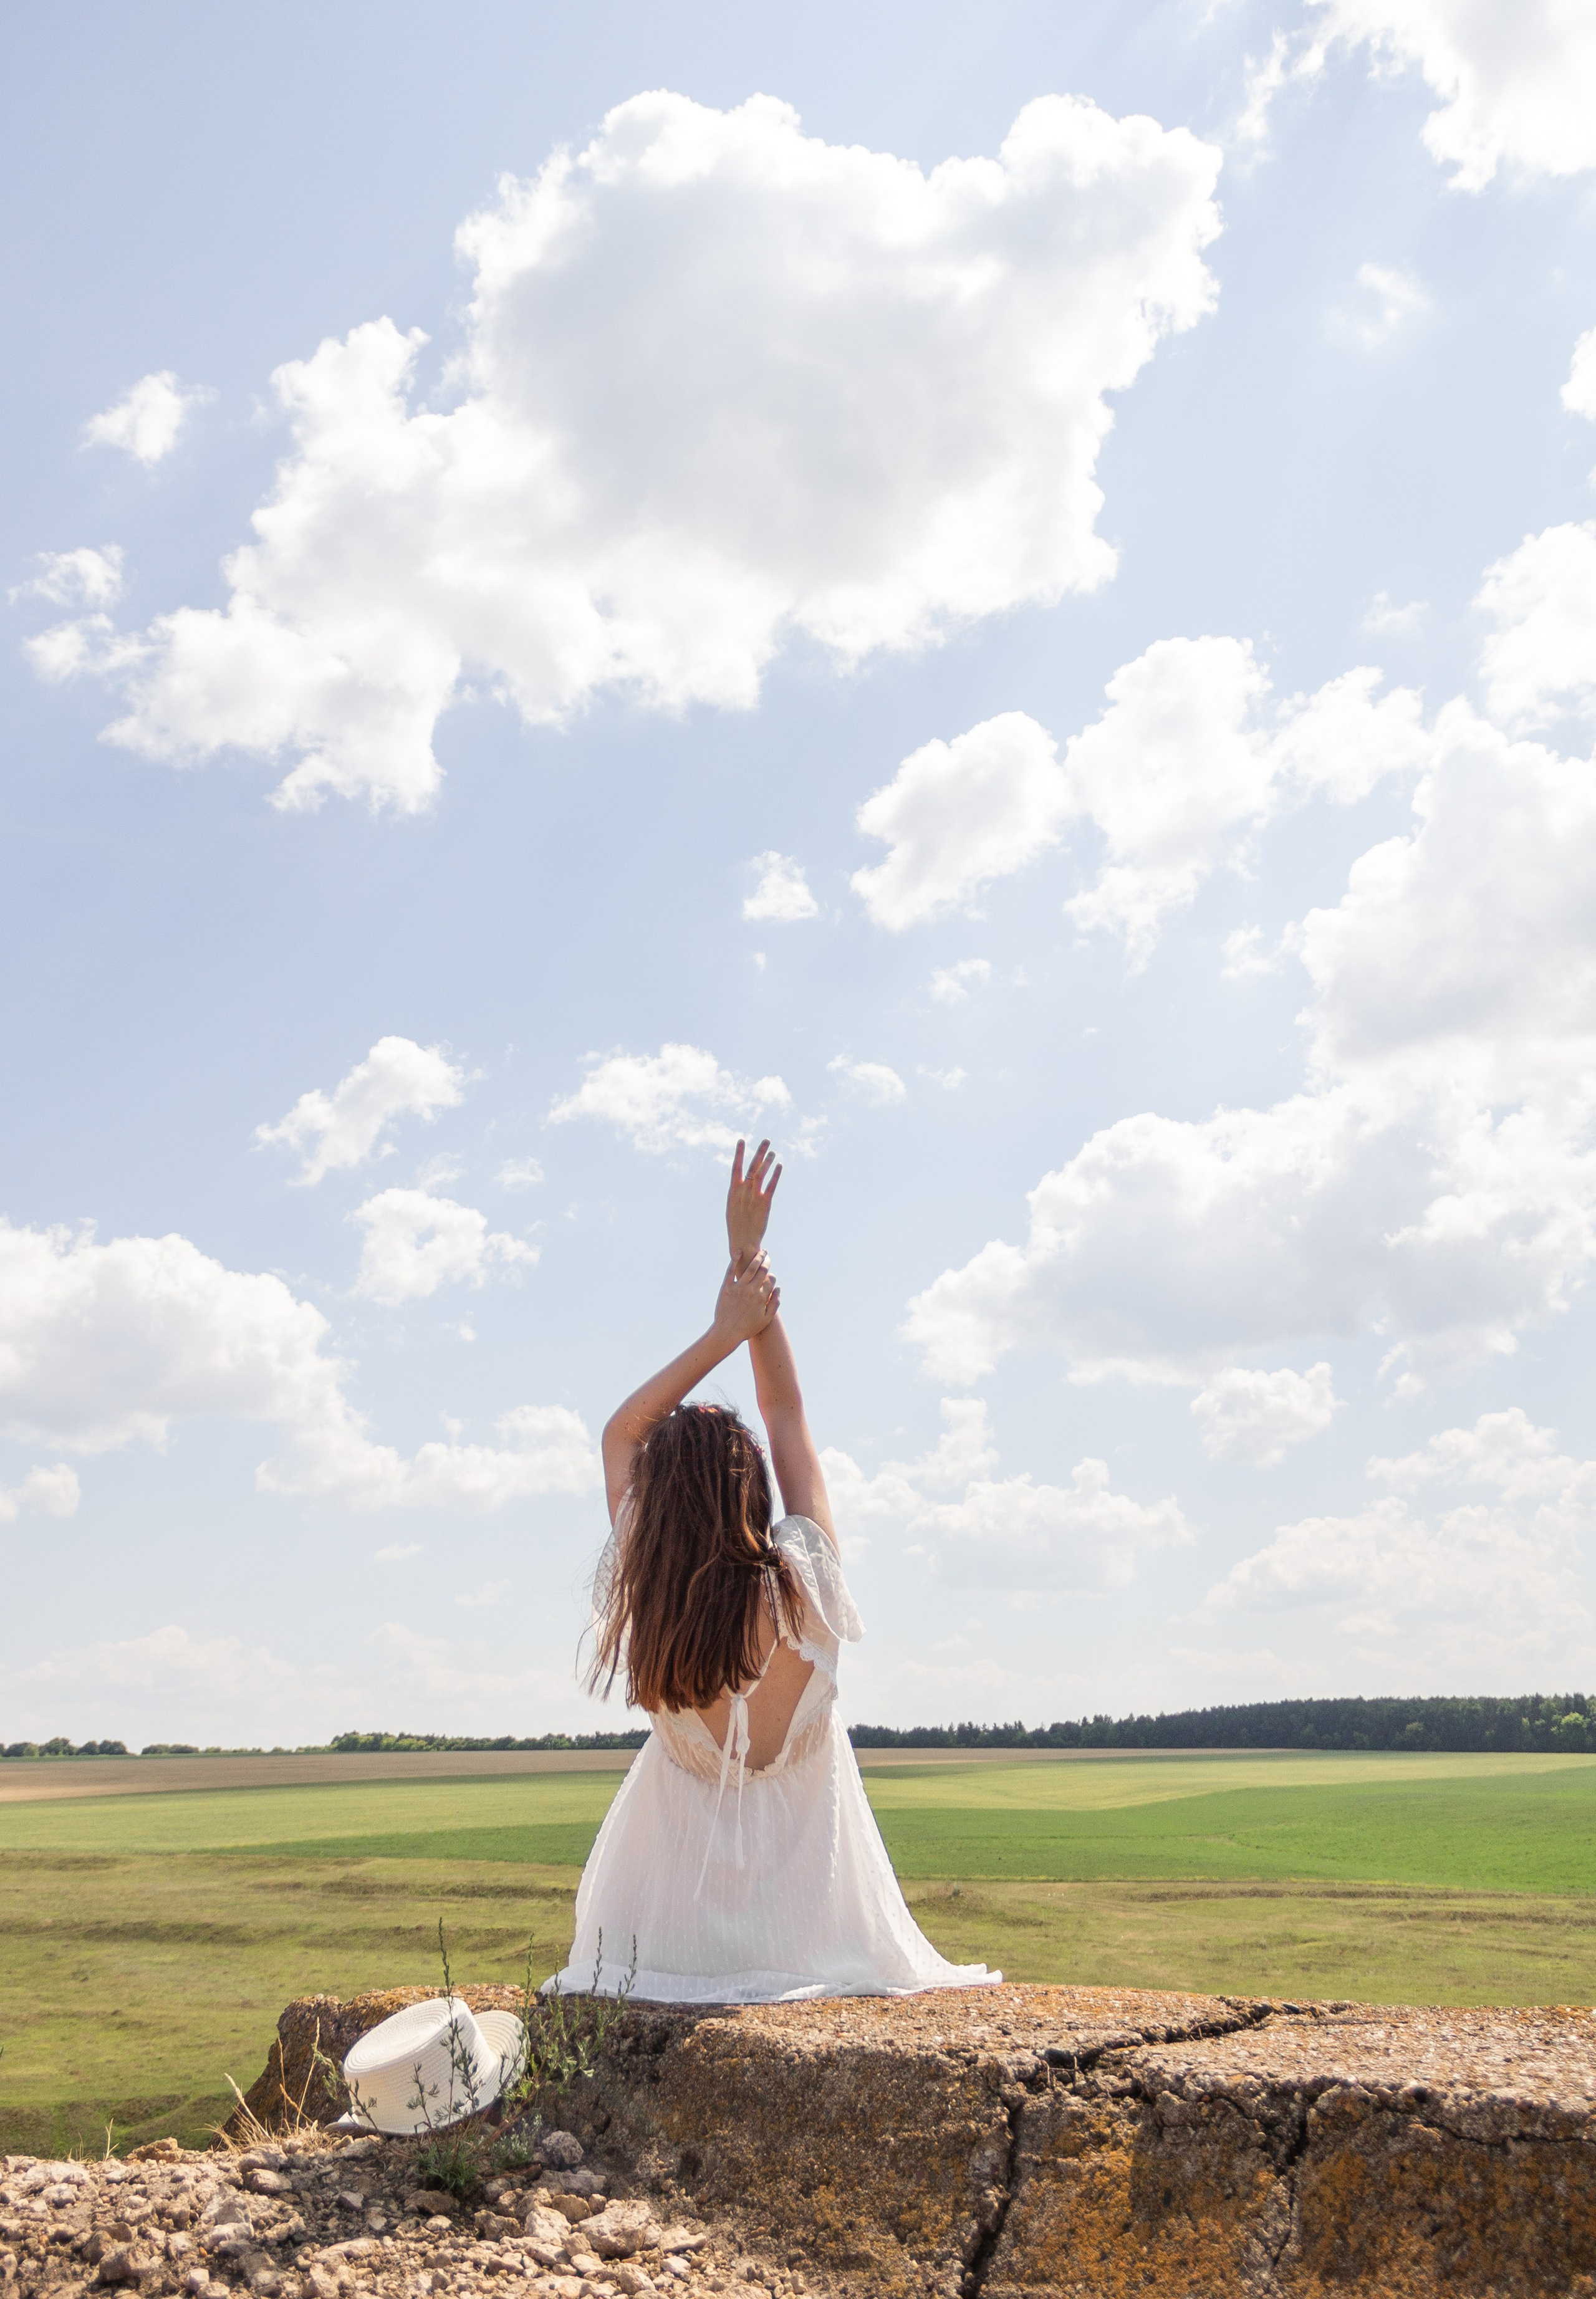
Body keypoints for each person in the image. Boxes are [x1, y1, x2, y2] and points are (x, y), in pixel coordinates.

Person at [544, 1140, 998, 2003]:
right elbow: (786, 1412)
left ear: (659, 1509)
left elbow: (619, 1435)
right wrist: (751, 1275)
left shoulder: (649, 1596)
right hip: (816, 1939)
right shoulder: (808, 1588)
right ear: (751, 1487)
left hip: (658, 1944)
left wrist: (723, 1326)